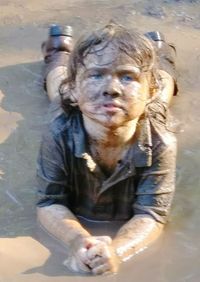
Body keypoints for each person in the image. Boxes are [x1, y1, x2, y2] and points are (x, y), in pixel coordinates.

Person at [37, 22, 177, 275]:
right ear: (75, 89)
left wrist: (117, 251)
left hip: (147, 112)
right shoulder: (58, 131)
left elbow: (153, 215)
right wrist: (77, 240)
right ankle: (58, 51)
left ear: (148, 92)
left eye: (127, 77)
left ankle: (161, 54)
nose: (111, 89)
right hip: (69, 106)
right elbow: (48, 202)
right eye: (95, 75)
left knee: (163, 97)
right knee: (55, 88)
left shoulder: (161, 142)